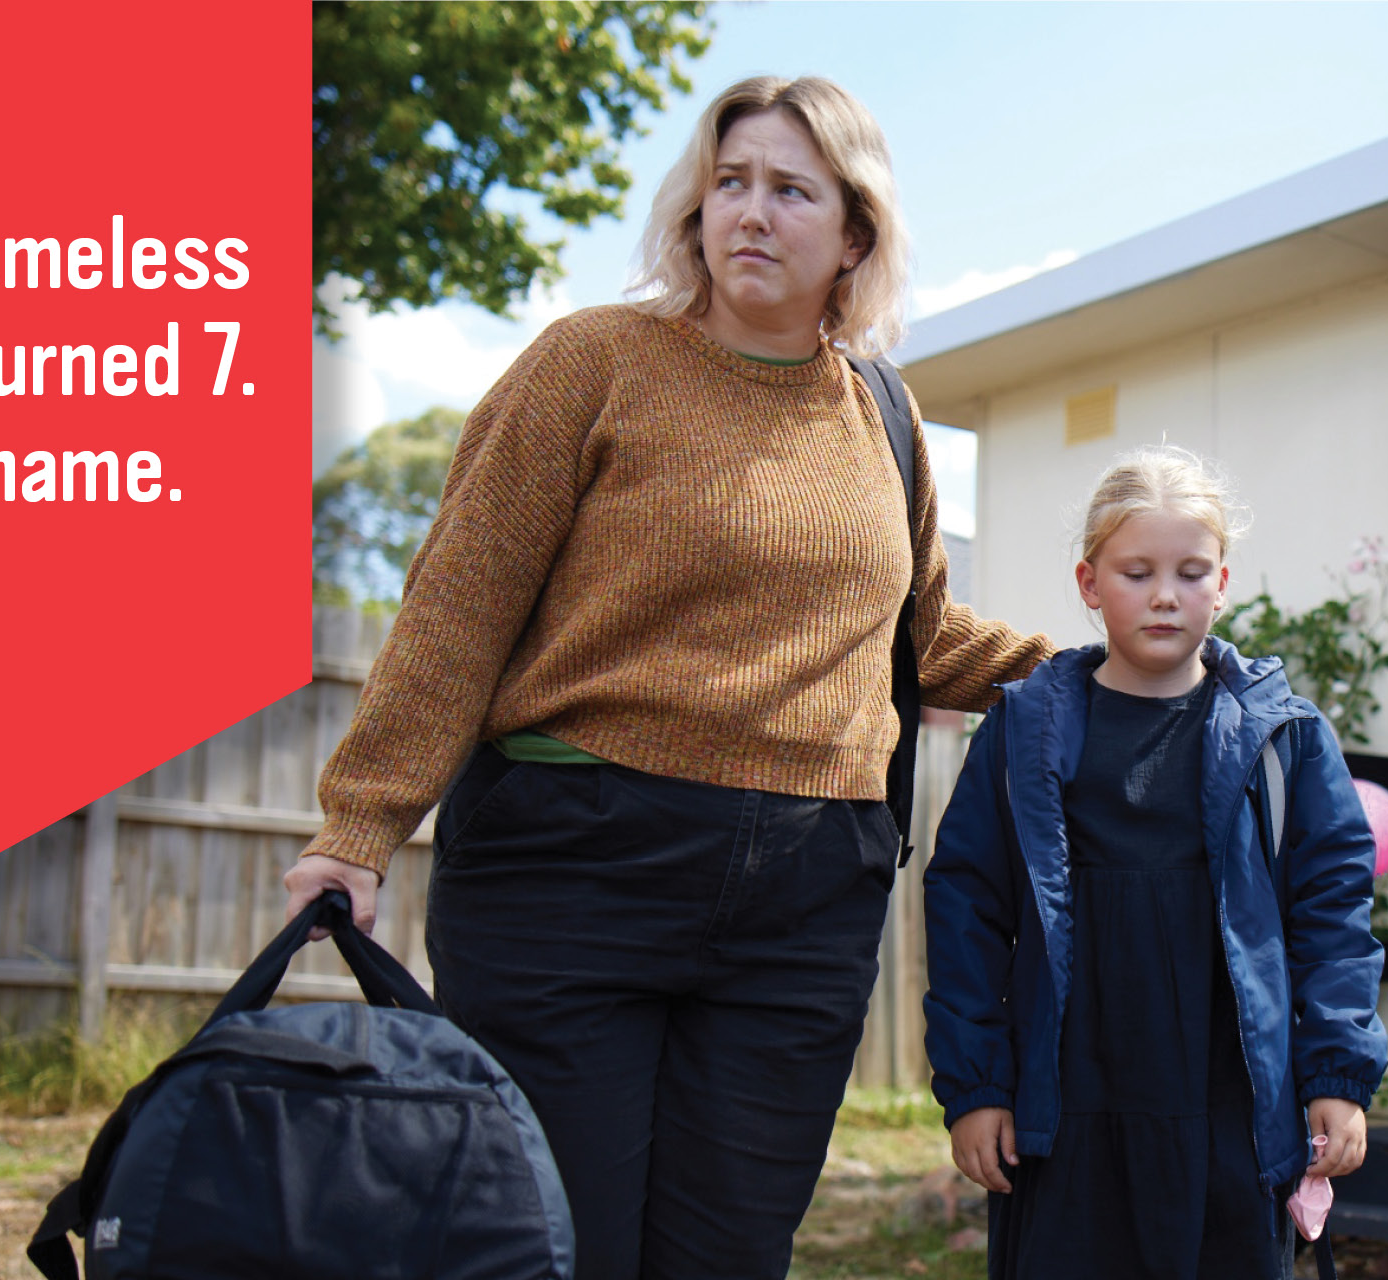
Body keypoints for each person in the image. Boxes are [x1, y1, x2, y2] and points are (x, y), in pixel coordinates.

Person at [279, 76, 1056, 1279]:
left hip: (806, 902)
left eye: (790, 190)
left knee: (729, 1253)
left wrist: (1106, 667)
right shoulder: (593, 362)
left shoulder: (884, 420)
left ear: (854, 233)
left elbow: (921, 639)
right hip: (573, 870)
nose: (749, 212)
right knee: (548, 1241)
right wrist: (359, 821)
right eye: (727, 183)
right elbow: (456, 605)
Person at [924, 446, 1388, 1279]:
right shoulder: (1023, 734)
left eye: (1190, 570)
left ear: (1224, 583)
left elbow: (1333, 916)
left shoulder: (1285, 737)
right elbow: (967, 913)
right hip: (1065, 1109)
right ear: (1089, 583)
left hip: (1231, 1112)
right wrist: (977, 1086)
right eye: (1137, 572)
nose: (1165, 594)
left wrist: (1338, 1074)